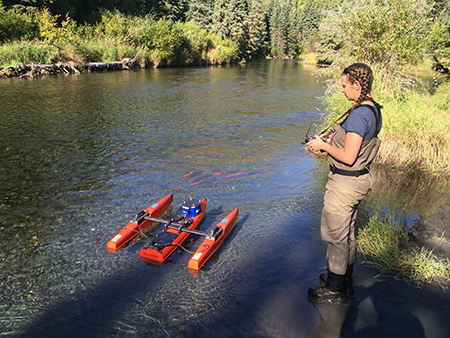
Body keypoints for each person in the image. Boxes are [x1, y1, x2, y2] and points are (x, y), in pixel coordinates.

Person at [306, 63, 382, 303]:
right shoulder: (372, 108)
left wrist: (322, 146)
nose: (342, 90)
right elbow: (354, 147)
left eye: (344, 86)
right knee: (347, 233)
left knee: (336, 236)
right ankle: (341, 279)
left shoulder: (359, 115)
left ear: (357, 85)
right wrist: (328, 142)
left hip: (345, 185)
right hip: (358, 180)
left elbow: (349, 157)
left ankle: (336, 290)